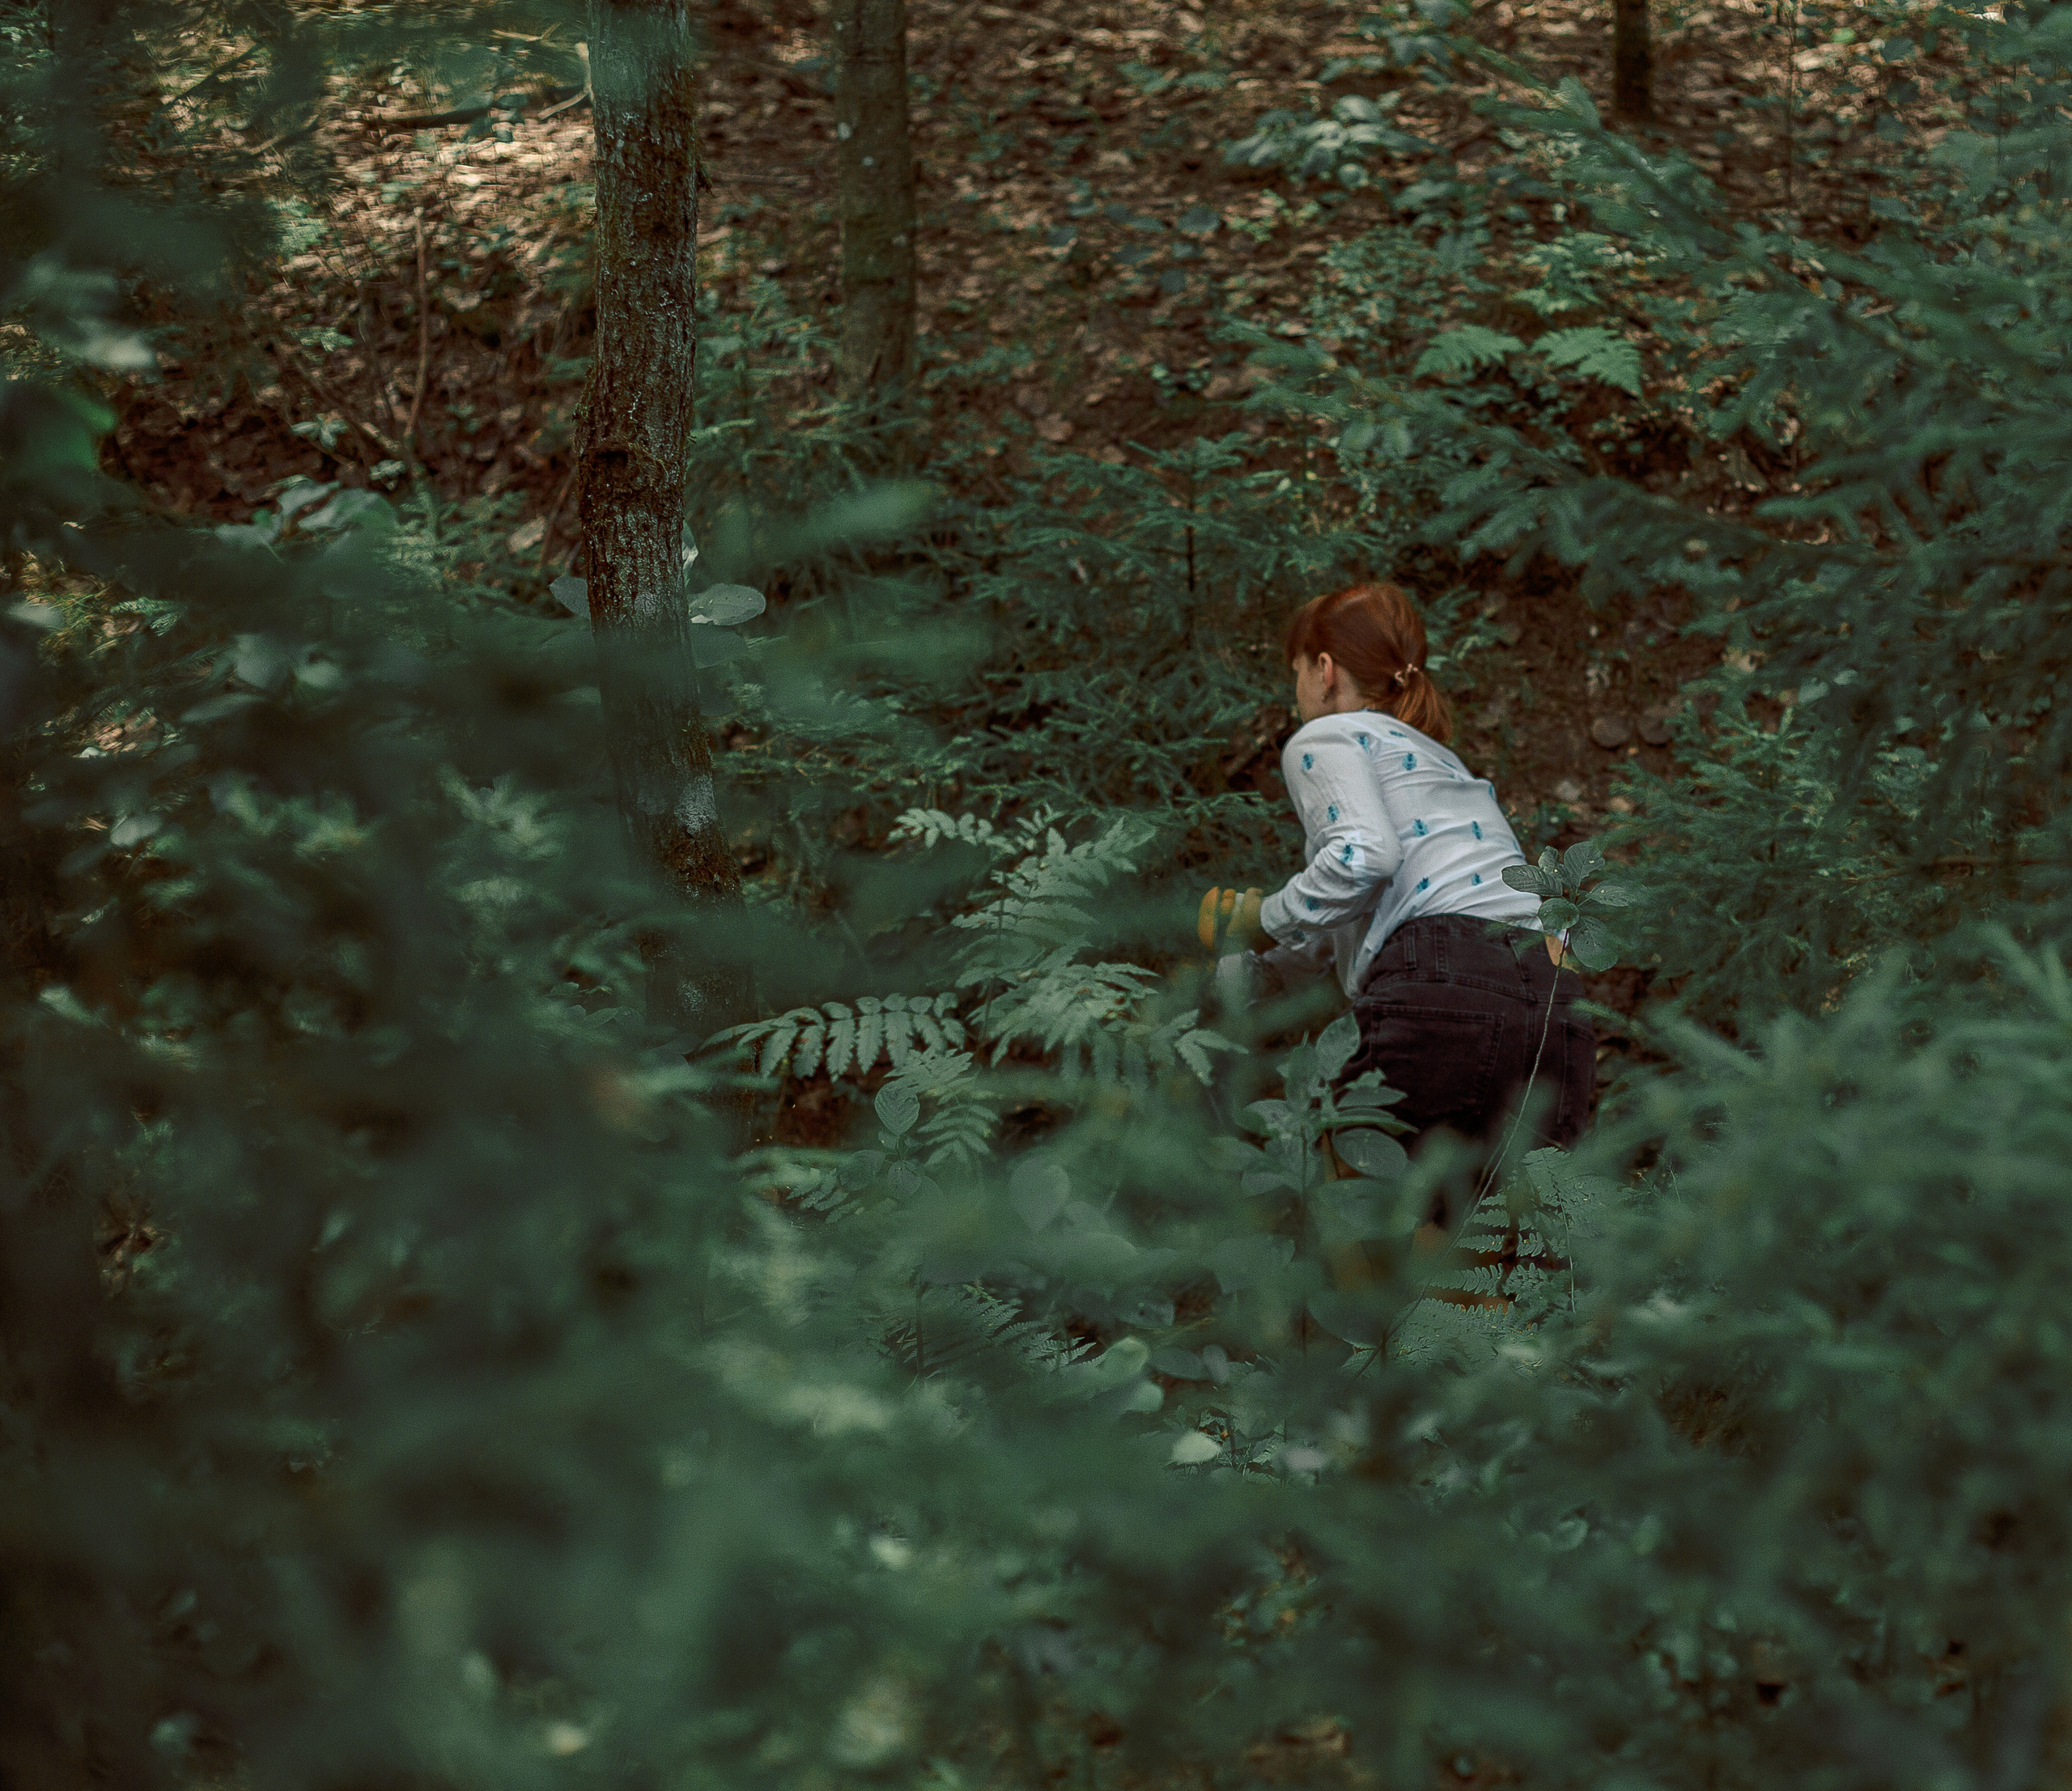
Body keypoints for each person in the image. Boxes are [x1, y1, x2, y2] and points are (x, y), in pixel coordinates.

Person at [1203, 582, 1594, 1157]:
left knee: (1361, 1203)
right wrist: (1245, 961)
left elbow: (1364, 857)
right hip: (1558, 996)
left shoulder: (1326, 736)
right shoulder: (1441, 763)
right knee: (1500, 1236)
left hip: (1443, 974)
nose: (1297, 691)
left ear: (1325, 670)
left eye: (1297, 672)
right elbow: (1356, 907)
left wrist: (1259, 916)